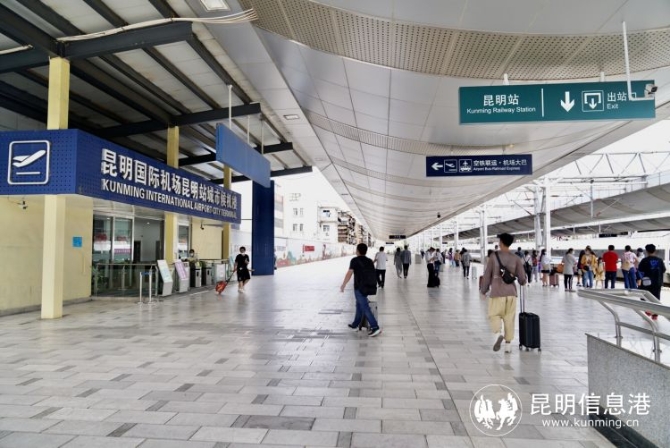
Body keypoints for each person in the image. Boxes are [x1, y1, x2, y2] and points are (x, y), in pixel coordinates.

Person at [480, 233, 527, 354]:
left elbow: (487, 275)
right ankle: (508, 346)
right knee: (509, 319)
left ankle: (498, 334)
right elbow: (522, 279)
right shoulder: (516, 258)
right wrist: (522, 280)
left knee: (494, 315)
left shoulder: (494, 257)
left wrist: (483, 290)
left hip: (497, 292)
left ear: (501, 242)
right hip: (511, 293)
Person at [340, 243, 382, 336]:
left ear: (358, 251)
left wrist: (343, 285)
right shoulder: (370, 261)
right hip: (368, 287)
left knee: (364, 307)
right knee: (359, 305)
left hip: (359, 288)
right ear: (366, 251)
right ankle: (355, 325)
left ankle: (375, 327)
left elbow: (349, 273)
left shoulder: (354, 260)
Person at [637, 244, 666, 320]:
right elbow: (663, 270)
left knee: (645, 297)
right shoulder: (660, 260)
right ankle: (655, 315)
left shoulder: (645, 260)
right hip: (657, 282)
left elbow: (640, 270)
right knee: (656, 298)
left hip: (647, 283)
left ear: (647, 251)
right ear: (655, 250)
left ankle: (648, 310)